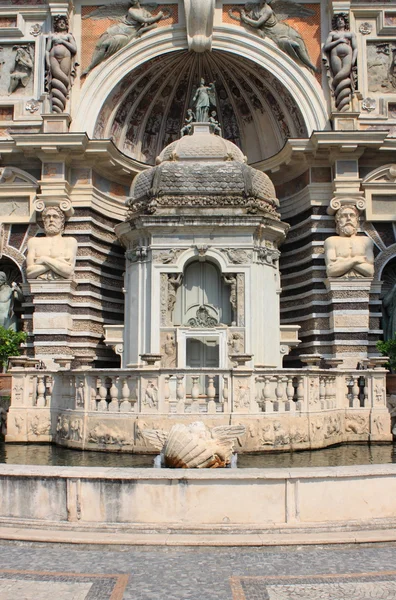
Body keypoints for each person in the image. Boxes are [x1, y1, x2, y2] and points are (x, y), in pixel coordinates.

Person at [83, 0, 166, 76]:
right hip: (120, 28)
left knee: (105, 44)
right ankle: (93, 64)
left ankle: (90, 67)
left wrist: (144, 28)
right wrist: (158, 16)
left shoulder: (145, 12)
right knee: (101, 41)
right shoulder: (131, 10)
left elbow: (152, 24)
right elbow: (145, 20)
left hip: (127, 35)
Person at [232, 1, 318, 73]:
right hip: (274, 35)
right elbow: (249, 26)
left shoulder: (268, 10)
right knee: (294, 45)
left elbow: (257, 23)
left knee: (300, 46)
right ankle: (303, 65)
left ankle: (310, 66)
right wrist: (253, 27)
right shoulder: (254, 10)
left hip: (284, 31)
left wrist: (244, 18)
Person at [26, 207, 77, 280]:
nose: (51, 220)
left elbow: (69, 272)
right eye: (48, 217)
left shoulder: (70, 242)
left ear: (62, 221)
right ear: (44, 222)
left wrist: (44, 260)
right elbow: (29, 273)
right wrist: (58, 263)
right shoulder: (33, 242)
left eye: (55, 217)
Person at [324, 205, 374, 278]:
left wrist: (342, 262)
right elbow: (331, 271)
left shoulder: (366, 241)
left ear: (356, 220)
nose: (348, 219)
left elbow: (370, 271)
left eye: (352, 215)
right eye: (344, 216)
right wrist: (355, 260)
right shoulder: (331, 241)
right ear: (338, 220)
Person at [323, 13, 357, 112]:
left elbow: (355, 48)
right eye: (338, 20)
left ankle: (345, 109)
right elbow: (326, 46)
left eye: (342, 20)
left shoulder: (350, 34)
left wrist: (354, 59)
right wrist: (339, 41)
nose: (340, 21)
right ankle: (340, 106)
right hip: (335, 54)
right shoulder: (333, 34)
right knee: (339, 76)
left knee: (344, 74)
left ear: (345, 22)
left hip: (348, 55)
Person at [46, 15, 77, 113]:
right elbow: (47, 50)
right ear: (56, 25)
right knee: (56, 78)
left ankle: (60, 110)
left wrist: (63, 42)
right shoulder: (52, 35)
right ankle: (56, 110)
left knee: (63, 77)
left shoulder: (69, 36)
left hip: (65, 57)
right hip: (53, 58)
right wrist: (47, 62)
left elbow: (74, 48)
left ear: (66, 25)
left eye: (63, 22)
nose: (62, 24)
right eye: (60, 22)